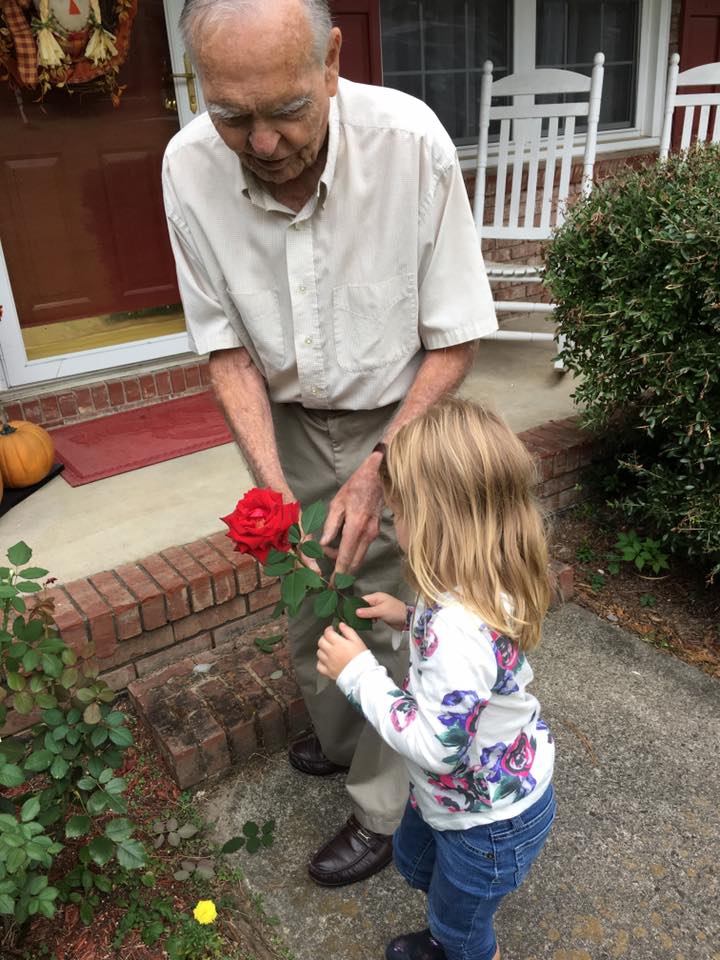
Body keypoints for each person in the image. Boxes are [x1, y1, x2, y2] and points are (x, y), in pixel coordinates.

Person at [162, 0, 497, 886]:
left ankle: (385, 810)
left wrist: (382, 466)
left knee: (393, 623)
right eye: (234, 114)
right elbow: (226, 348)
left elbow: (457, 335)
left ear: (333, 60)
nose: (263, 144)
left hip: (404, 416)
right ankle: (352, 736)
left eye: (286, 111)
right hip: (288, 422)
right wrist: (272, 494)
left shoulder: (411, 143)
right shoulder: (186, 166)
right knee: (311, 605)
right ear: (201, 85)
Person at [317, 397, 556, 960]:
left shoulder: (457, 628)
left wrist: (359, 676)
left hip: (486, 823)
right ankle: (448, 928)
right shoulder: (481, 571)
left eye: (400, 514)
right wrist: (410, 617)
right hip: (466, 798)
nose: (394, 527)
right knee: (417, 863)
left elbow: (437, 747)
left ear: (435, 519)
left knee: (464, 928)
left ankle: (461, 946)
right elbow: (476, 652)